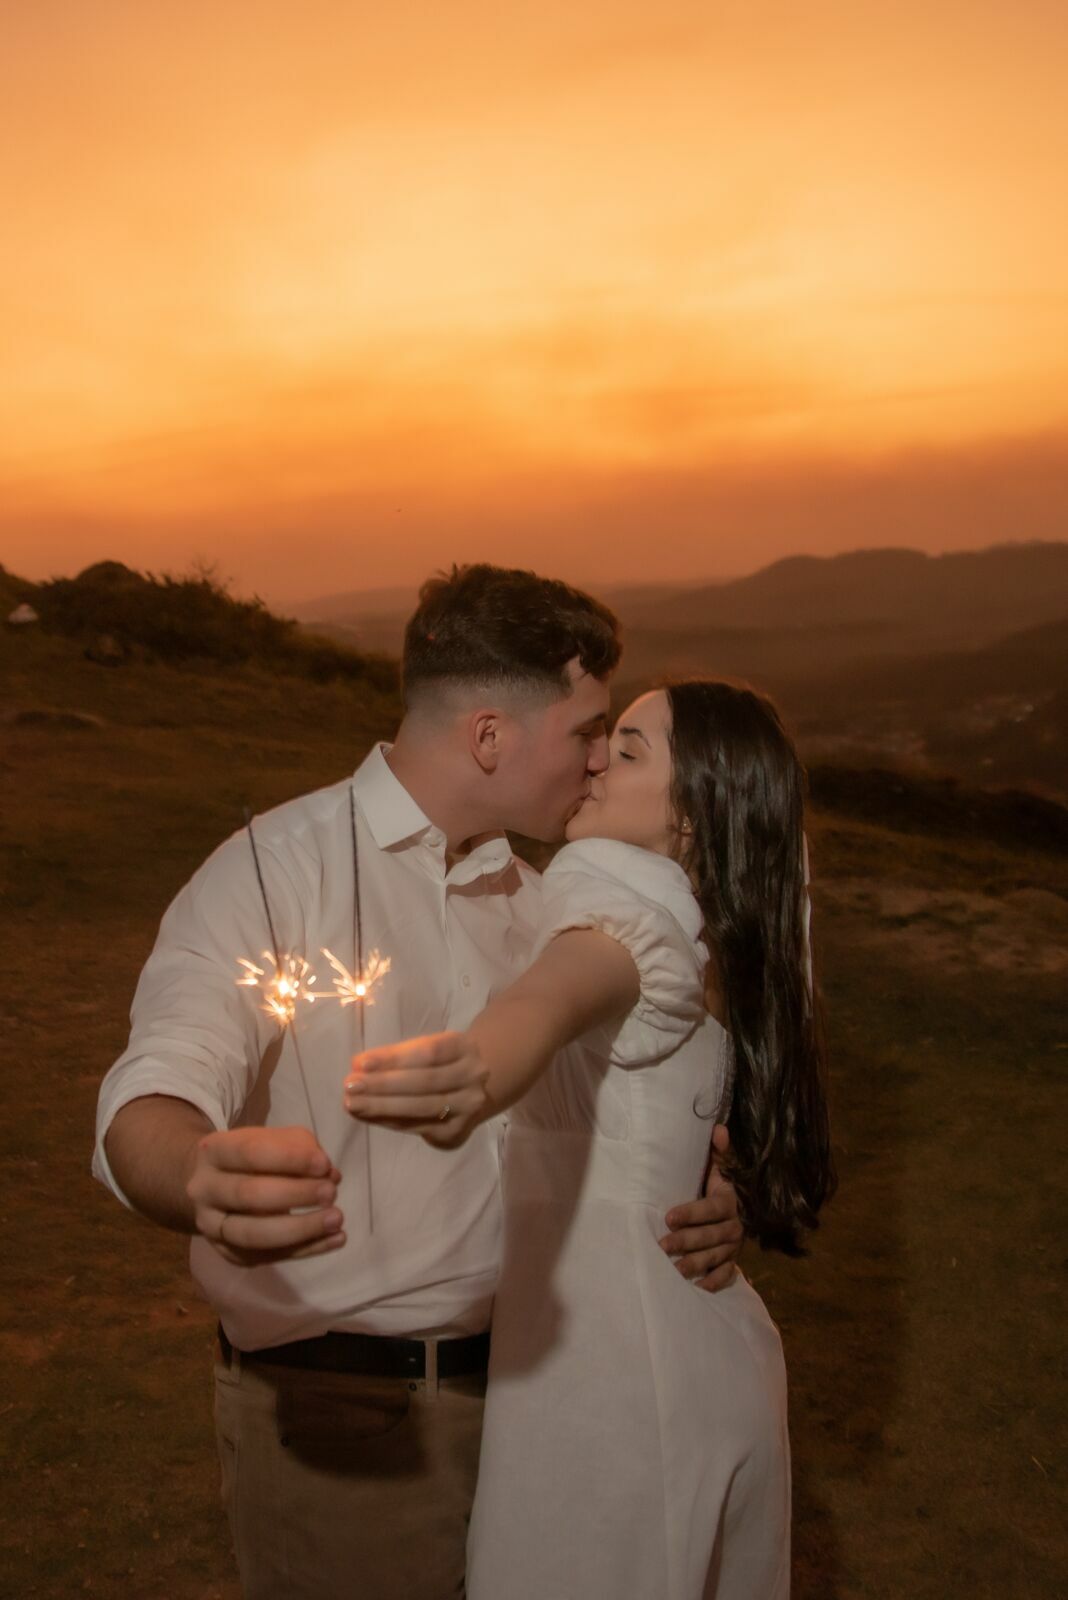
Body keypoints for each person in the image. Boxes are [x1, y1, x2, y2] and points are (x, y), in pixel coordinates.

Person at [92, 566, 744, 1600]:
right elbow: (156, 1089)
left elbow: (602, 1118)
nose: (594, 762)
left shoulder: (543, 902)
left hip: (553, 1404)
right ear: (490, 736)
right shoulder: (272, 869)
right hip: (350, 1420)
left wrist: (699, 1198)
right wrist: (196, 1173)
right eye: (586, 731)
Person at [346, 679, 836, 1599]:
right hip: (651, 1351)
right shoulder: (690, 920)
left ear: (689, 824)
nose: (600, 755)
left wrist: (477, 1066)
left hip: (619, 1384)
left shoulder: (628, 923)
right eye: (611, 734)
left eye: (635, 749)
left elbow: (555, 995)